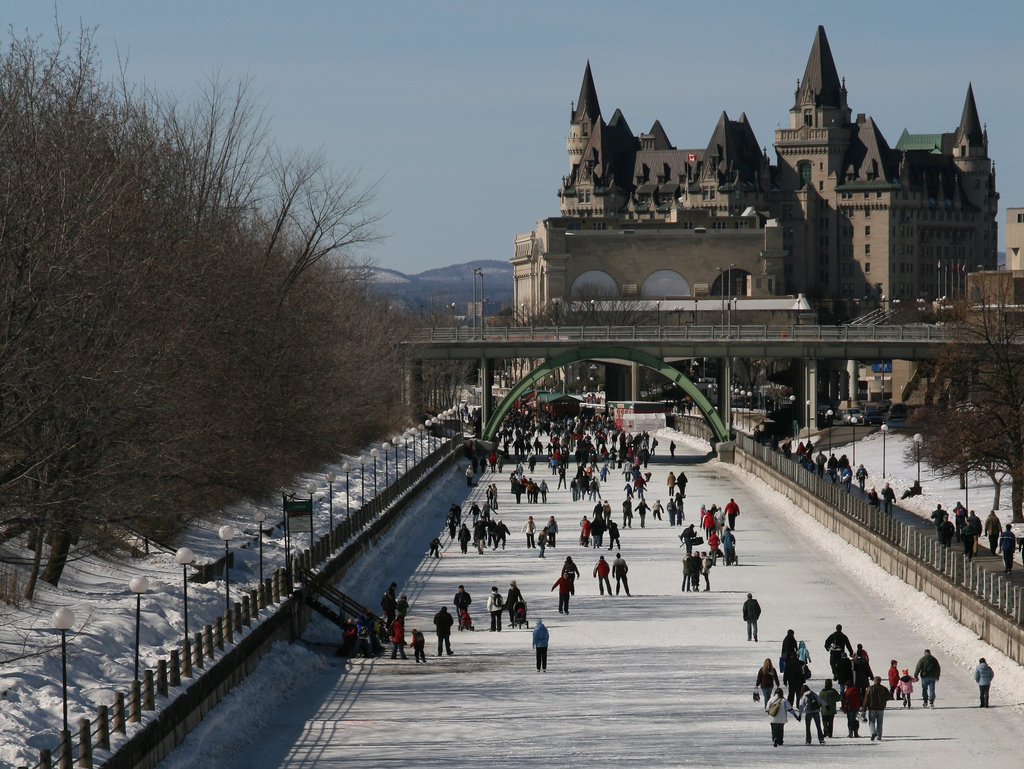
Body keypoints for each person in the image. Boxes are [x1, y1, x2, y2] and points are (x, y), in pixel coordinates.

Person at [863, 676, 891, 741]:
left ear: (874, 681)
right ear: (880, 681)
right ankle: (879, 736)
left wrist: (864, 708)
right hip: (881, 708)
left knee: (871, 721)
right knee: (880, 722)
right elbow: (889, 697)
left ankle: (873, 732)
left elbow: (866, 699)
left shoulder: (870, 688)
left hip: (872, 708)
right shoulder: (884, 688)